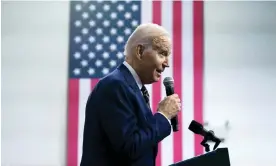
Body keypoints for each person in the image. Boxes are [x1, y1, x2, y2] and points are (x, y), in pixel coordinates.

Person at [80, 23, 181, 166]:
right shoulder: (115, 86)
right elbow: (130, 147)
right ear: (139, 51)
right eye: (162, 53)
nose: (167, 63)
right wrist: (163, 116)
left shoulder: (130, 87)